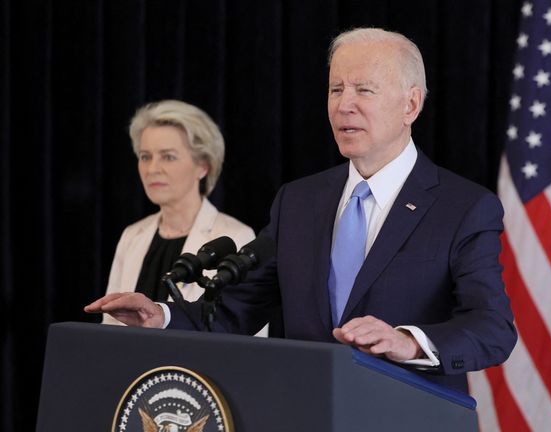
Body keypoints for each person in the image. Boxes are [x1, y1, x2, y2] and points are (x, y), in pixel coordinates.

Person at [87, 29, 516, 392]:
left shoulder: (464, 207)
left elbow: (492, 328)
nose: (344, 104)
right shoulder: (299, 201)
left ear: (411, 105)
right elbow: (236, 310)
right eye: (336, 89)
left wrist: (408, 341)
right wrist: (160, 315)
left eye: (363, 90)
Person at [102, 100, 259, 332]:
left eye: (168, 157)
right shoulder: (132, 235)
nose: (152, 168)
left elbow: (246, 331)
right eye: (145, 157)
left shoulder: (235, 236)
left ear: (203, 166)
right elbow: (110, 326)